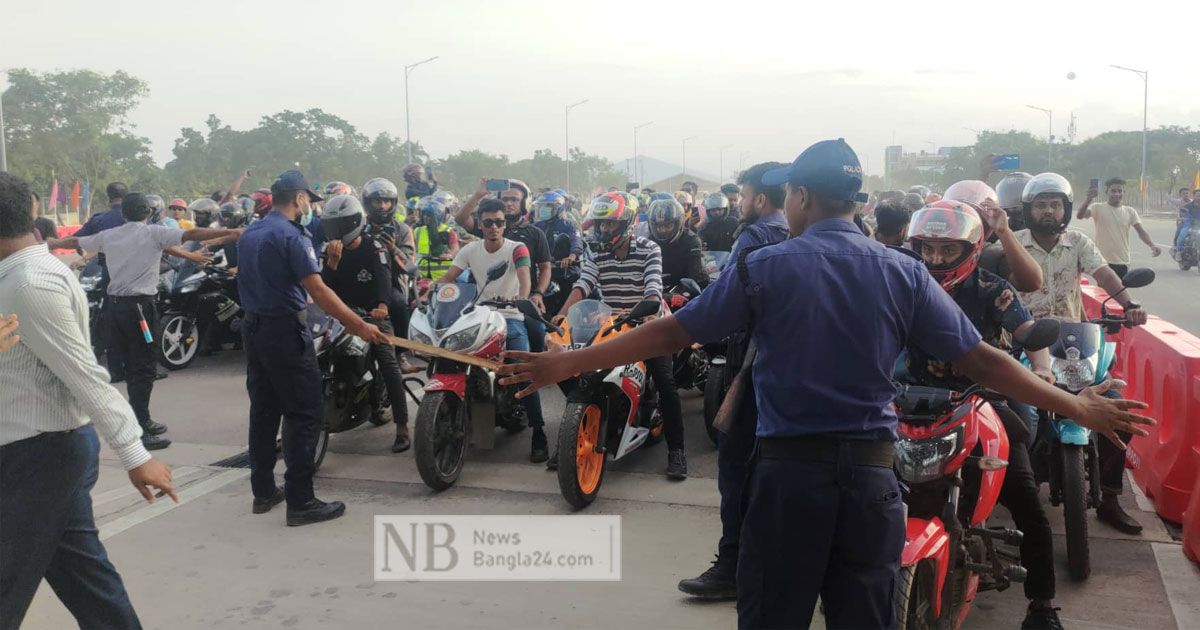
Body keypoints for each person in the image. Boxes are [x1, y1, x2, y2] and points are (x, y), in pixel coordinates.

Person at [497, 139, 1152, 630]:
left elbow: (675, 334)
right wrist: (1076, 406)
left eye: (787, 197)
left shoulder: (769, 265)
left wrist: (565, 364)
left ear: (802, 199)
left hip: (790, 483)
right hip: (873, 483)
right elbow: (982, 360)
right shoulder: (901, 273)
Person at [0, 173, 178, 630]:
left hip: (38, 455)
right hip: (39, 451)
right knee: (87, 582)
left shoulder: (29, 283)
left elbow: (85, 375)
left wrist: (135, 453)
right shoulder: (20, 272)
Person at [903, 200, 1063, 630]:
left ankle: (1043, 606)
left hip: (983, 401)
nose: (936, 259)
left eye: (947, 250)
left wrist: (1043, 367)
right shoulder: (903, 284)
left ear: (970, 249)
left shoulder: (993, 290)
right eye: (928, 249)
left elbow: (1028, 331)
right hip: (912, 404)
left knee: (1027, 500)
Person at [236, 170, 387, 527]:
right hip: (284, 330)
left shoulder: (251, 232)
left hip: (253, 327)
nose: (309, 208)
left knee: (263, 410)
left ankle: (263, 491)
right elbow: (318, 291)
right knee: (304, 412)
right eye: (309, 201)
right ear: (300, 198)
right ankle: (301, 500)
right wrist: (360, 326)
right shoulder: (291, 234)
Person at [1003, 172, 1150, 535]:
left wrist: (1129, 304)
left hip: (1073, 340)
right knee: (1018, 415)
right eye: (1041, 205)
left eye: (1055, 204)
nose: (1049, 211)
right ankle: (1022, 484)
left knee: (1116, 405)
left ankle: (1111, 499)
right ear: (1028, 210)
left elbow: (1105, 275)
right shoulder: (1012, 244)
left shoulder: (1079, 241)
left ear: (1066, 209)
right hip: (1025, 340)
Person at [678, 161, 791, 601]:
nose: (739, 203)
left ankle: (732, 566)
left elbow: (723, 307)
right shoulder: (810, 236)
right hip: (795, 374)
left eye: (743, 195)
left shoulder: (755, 237)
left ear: (761, 200)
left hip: (754, 366)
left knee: (738, 469)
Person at [48, 193, 240, 451]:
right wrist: (234, 231)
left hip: (116, 308)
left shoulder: (110, 235)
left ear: (124, 214)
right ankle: (138, 430)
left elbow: (75, 240)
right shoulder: (154, 233)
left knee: (131, 363)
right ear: (149, 213)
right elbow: (194, 235)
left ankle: (144, 419)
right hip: (140, 309)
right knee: (144, 366)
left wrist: (52, 242)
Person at [548, 192, 688, 479]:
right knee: (573, 368)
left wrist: (646, 312)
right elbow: (584, 283)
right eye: (600, 224)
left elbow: (651, 287)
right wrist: (562, 314)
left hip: (649, 319)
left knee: (665, 382)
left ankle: (677, 451)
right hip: (611, 321)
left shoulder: (649, 248)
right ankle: (572, 437)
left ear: (629, 223)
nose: (603, 230)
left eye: (610, 224)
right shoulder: (594, 249)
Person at [434, 199, 548, 462]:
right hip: (478, 315)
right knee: (450, 352)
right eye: (488, 223)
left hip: (511, 316)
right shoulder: (470, 250)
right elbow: (449, 277)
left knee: (524, 368)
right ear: (481, 225)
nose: (494, 227)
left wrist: (522, 297)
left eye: (499, 222)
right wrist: (429, 290)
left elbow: (524, 278)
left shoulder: (517, 248)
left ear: (504, 224)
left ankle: (539, 432)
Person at [319, 195, 413, 453]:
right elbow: (322, 289)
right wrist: (332, 265)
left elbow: (384, 278)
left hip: (372, 316)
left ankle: (402, 427)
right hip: (341, 317)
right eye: (332, 226)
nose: (335, 232)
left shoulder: (375, 247)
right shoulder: (329, 252)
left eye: (340, 226)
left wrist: (382, 307)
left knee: (389, 363)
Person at [457, 179, 553, 362]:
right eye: (506, 199)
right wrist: (478, 194)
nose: (509, 203)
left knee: (538, 334)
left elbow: (545, 267)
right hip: (486, 306)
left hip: (522, 301)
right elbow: (461, 219)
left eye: (514, 200)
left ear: (524, 203)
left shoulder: (535, 234)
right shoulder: (490, 227)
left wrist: (538, 294)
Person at [362, 177, 422, 378]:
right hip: (360, 280)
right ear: (368, 203)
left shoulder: (402, 230)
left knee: (397, 304)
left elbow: (410, 265)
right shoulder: (359, 226)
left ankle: (400, 354)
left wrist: (392, 248)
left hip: (391, 283)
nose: (382, 206)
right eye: (377, 201)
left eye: (386, 201)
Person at [1077, 177, 1161, 278]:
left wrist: (1152, 245)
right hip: (1102, 262)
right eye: (1113, 191)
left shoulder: (1130, 211)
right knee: (1103, 293)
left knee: (1120, 291)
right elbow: (1080, 216)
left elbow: (1141, 232)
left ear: (1124, 192)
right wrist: (1088, 200)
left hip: (1122, 261)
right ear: (1107, 192)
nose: (1117, 194)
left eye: (1120, 191)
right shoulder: (1097, 207)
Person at [532, 191, 584, 317]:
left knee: (570, 306)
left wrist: (571, 257)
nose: (543, 210)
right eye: (541, 207)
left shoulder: (568, 225)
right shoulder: (537, 226)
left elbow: (576, 241)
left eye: (547, 207)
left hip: (566, 272)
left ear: (557, 208)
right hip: (545, 272)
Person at [647, 198, 708, 289]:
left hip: (684, 287)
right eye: (659, 226)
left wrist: (678, 292)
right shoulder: (650, 241)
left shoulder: (691, 240)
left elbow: (694, 275)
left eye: (668, 226)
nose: (663, 230)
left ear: (678, 223)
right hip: (657, 289)